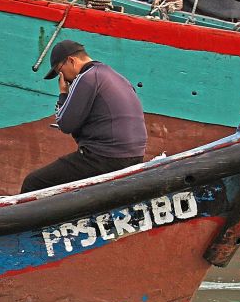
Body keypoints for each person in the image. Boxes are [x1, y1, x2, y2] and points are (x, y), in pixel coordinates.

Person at [21, 39, 147, 193]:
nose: (63, 78)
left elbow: (65, 123)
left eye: (60, 72)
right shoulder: (117, 76)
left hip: (105, 159)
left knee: (33, 183)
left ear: (71, 61)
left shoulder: (87, 77)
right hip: (135, 157)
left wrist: (63, 93)